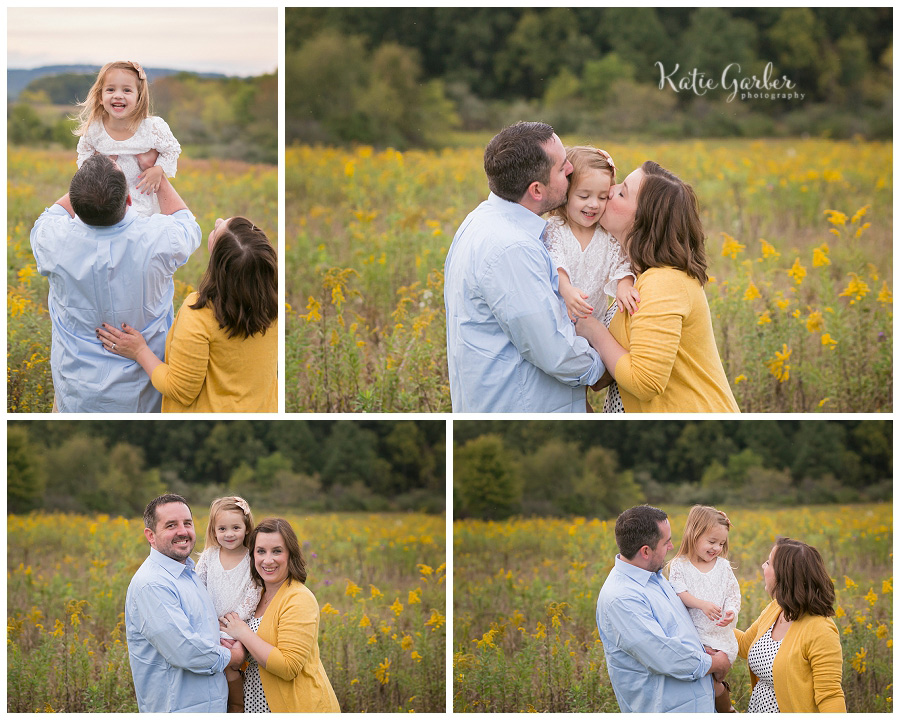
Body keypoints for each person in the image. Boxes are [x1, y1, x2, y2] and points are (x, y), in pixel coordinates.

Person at [444, 121, 606, 412]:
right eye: (561, 167)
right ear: (536, 190)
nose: (571, 169)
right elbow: (556, 353)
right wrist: (611, 365)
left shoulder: (481, 220)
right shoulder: (512, 249)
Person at [30, 153, 200, 412]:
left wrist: (91, 180)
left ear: (75, 203)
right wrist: (156, 174)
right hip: (144, 396)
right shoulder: (158, 239)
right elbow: (188, 225)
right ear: (130, 199)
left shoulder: (52, 240)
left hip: (75, 393)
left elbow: (50, 216)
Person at [574, 161, 740, 413]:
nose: (610, 190)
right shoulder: (634, 278)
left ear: (644, 220)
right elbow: (608, 373)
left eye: (621, 192)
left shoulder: (664, 283)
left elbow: (645, 382)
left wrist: (594, 330)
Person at [95, 213, 278, 412]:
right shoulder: (274, 307)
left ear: (218, 263)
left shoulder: (200, 315)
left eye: (217, 231)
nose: (216, 221)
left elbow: (180, 390)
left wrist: (139, 351)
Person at [596, 505, 730, 713]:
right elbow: (664, 655)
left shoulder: (655, 578)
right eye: (666, 542)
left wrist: (702, 649)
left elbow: (676, 633)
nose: (671, 546)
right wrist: (715, 663)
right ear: (646, 551)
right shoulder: (622, 598)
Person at [125, 494, 245, 712]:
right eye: (171, 525)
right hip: (178, 708)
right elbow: (184, 650)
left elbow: (204, 634)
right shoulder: (152, 584)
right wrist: (234, 655)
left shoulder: (190, 574)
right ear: (150, 536)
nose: (183, 531)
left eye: (187, 523)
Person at [221, 518, 341, 713]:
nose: (268, 560)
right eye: (261, 551)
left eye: (277, 551)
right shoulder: (254, 596)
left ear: (290, 554)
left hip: (298, 707)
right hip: (256, 702)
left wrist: (243, 633)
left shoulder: (299, 598)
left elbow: (288, 667)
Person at [735, 538, 845, 712]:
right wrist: (705, 620)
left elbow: (830, 695)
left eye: (768, 563)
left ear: (784, 575)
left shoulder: (821, 630)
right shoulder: (776, 609)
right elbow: (743, 645)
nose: (763, 567)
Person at [543, 145, 638, 323]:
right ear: (566, 194)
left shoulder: (606, 234)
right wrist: (567, 289)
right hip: (559, 318)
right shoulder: (555, 228)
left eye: (602, 197)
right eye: (584, 196)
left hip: (595, 320)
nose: (594, 204)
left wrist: (624, 285)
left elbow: (622, 265)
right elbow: (555, 264)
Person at [74, 60, 181, 217]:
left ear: (139, 98)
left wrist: (158, 170)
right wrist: (96, 165)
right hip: (105, 198)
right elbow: (84, 155)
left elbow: (172, 150)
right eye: (110, 89)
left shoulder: (151, 127)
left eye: (127, 90)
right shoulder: (95, 129)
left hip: (141, 197)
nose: (118, 95)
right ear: (100, 97)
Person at [667, 506, 741, 712]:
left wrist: (730, 612)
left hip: (720, 637)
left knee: (714, 680)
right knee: (701, 684)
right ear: (694, 534)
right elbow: (680, 592)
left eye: (721, 543)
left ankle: (726, 710)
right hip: (694, 637)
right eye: (711, 542)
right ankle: (719, 709)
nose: (717, 548)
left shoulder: (723, 567)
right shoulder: (680, 565)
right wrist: (702, 604)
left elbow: (733, 596)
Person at [195, 497, 262, 712]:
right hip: (209, 625)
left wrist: (233, 622)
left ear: (246, 528)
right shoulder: (209, 557)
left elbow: (254, 592)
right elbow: (198, 589)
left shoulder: (251, 558)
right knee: (209, 670)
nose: (229, 534)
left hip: (236, 627)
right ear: (214, 531)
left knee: (232, 668)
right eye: (222, 528)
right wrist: (211, 621)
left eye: (236, 527)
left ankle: (236, 707)